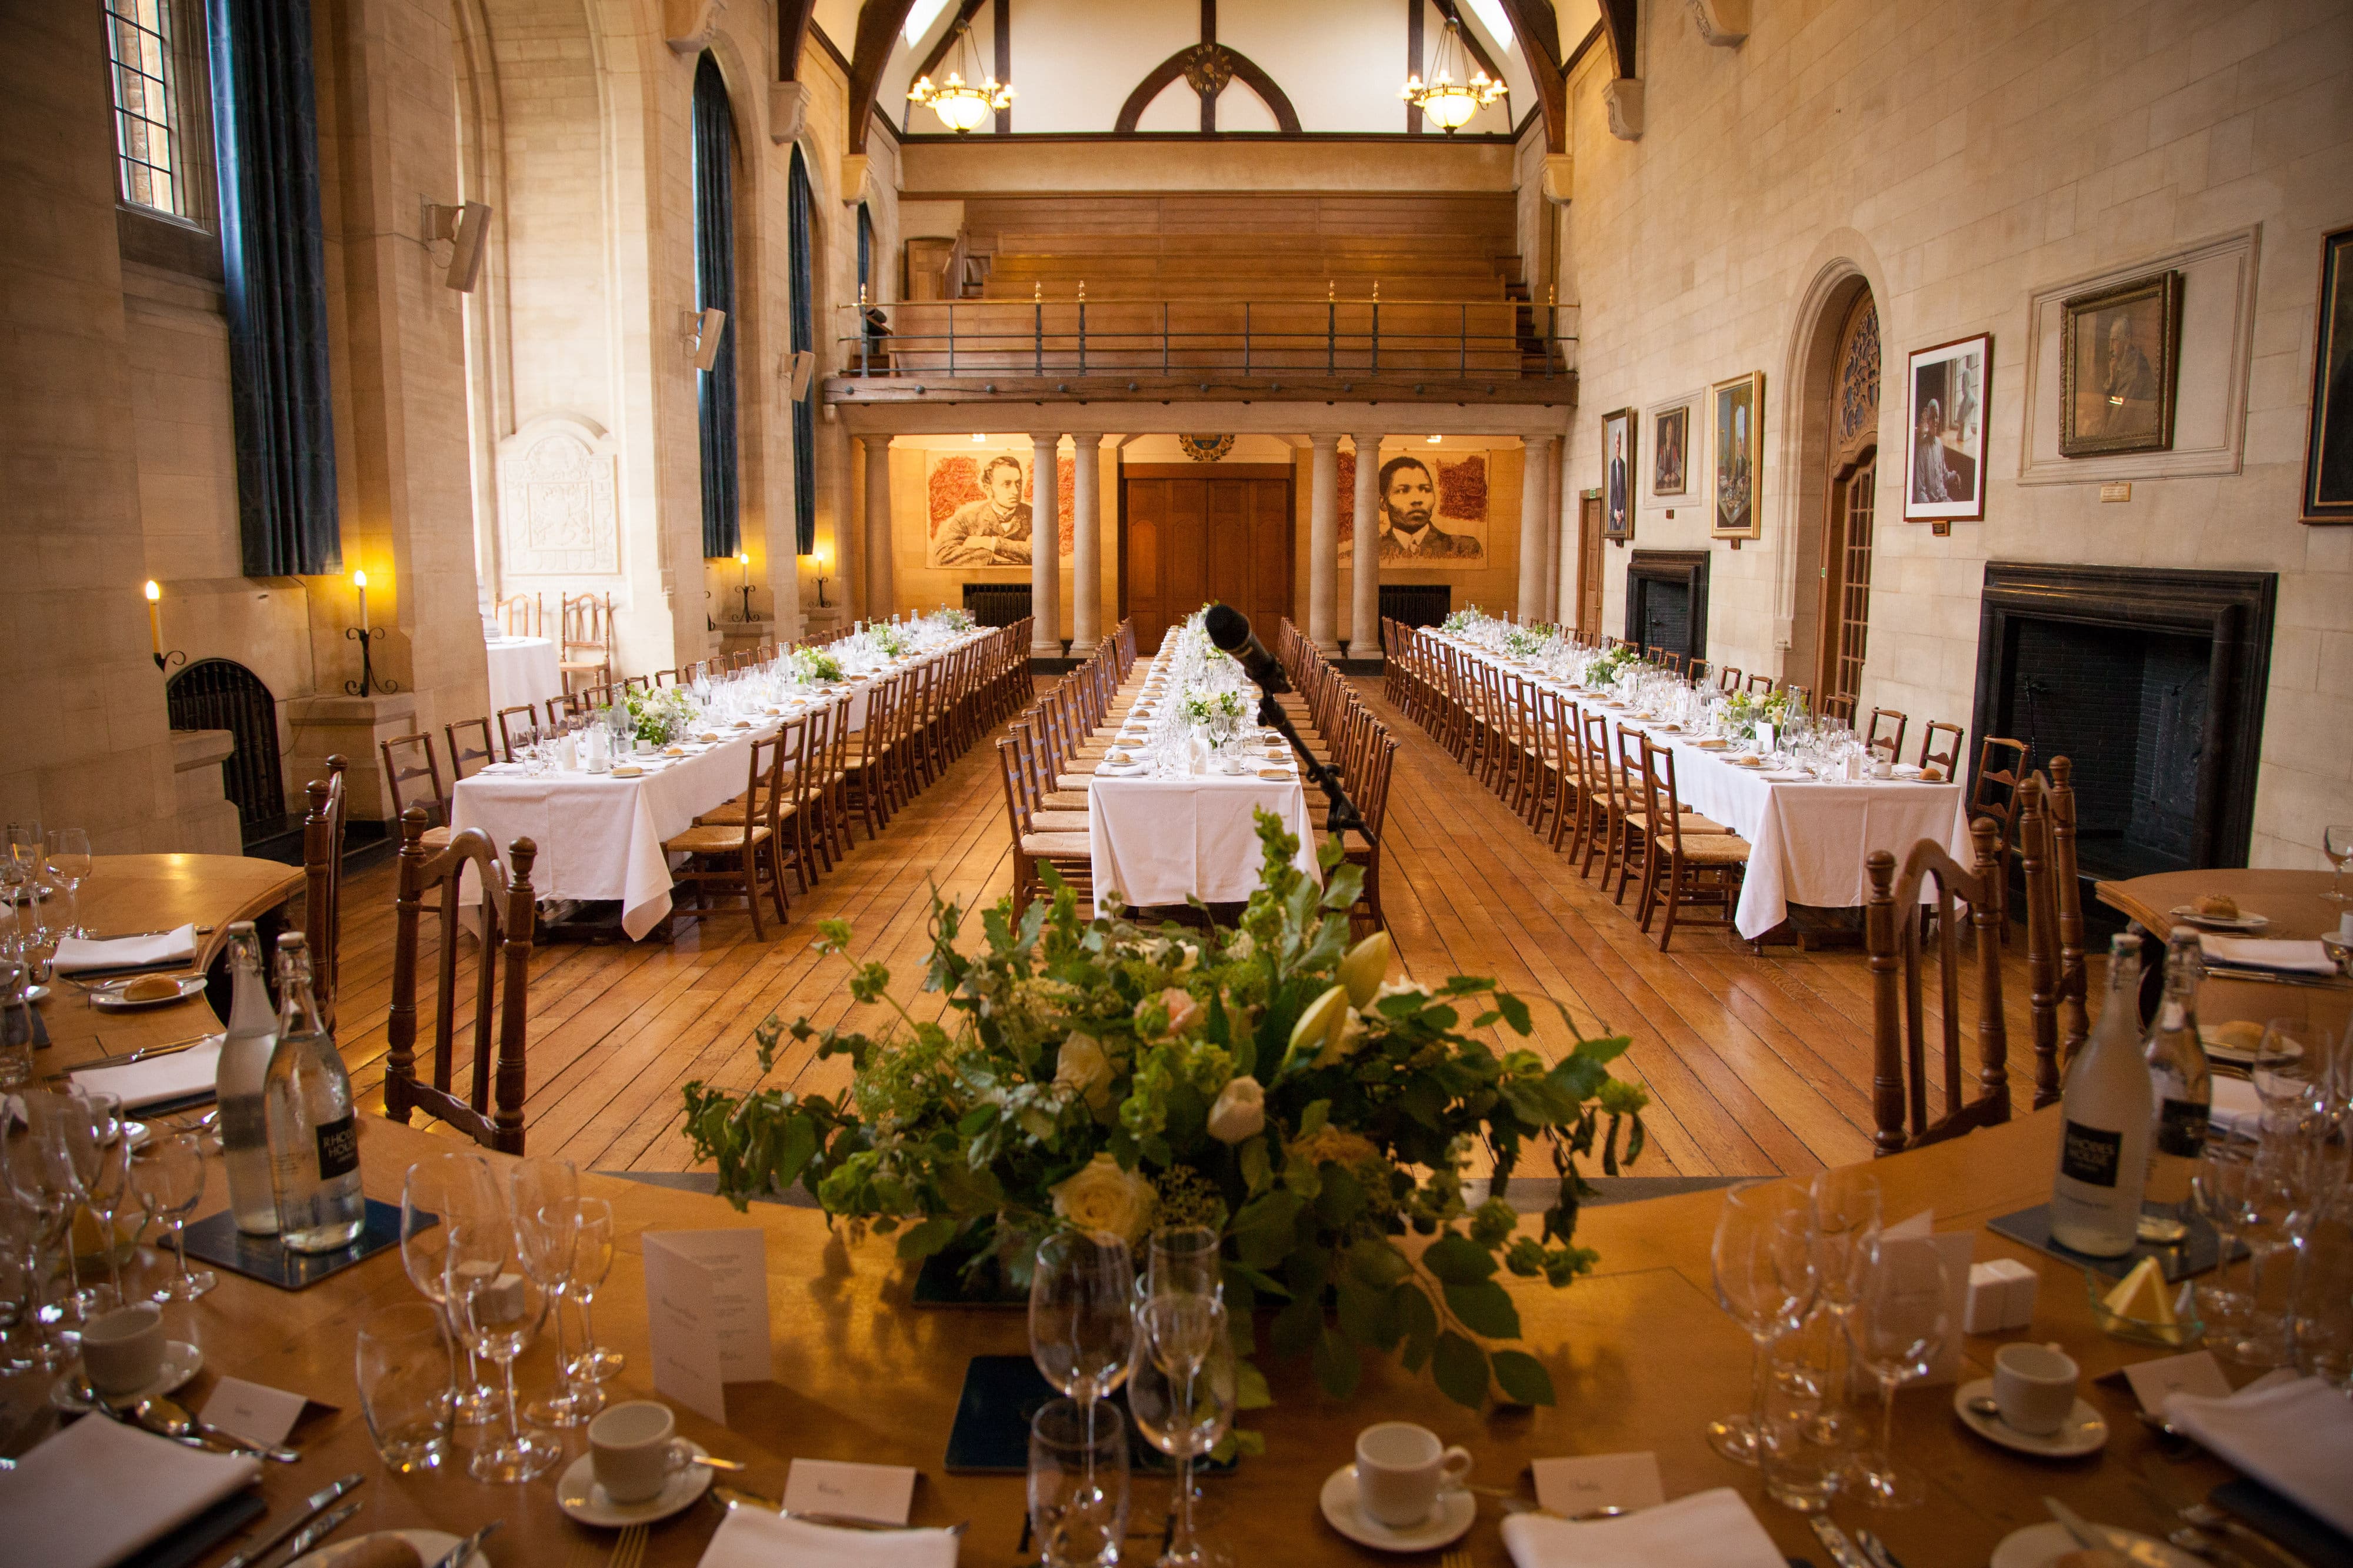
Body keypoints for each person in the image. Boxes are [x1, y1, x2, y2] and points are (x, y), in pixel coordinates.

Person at [1375, 456, 1480, 560]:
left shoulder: (1463, 547)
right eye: (1403, 491)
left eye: (1425, 489)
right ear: (1383, 503)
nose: (1417, 500)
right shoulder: (1373, 550)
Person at [935, 455, 1033, 565]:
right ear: (988, 489)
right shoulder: (967, 520)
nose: (1015, 491)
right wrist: (990, 557)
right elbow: (943, 556)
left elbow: (1040, 554)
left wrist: (991, 543)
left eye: (1018, 483)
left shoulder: (1035, 517)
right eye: (1007, 484)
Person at [2096, 314, 2156, 436]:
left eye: (2115, 340)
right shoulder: (2121, 365)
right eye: (2110, 341)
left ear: (2127, 340)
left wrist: (2103, 438)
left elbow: (2120, 417)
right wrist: (2112, 380)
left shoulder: (2135, 368)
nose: (2110, 348)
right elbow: (2113, 403)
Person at [1912, 396, 1955, 505]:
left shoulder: (1939, 444)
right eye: (1932, 418)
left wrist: (1955, 476)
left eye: (1937, 417)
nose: (1935, 421)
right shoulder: (1922, 449)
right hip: (1931, 503)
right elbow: (1920, 491)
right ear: (1928, 420)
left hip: (1944, 498)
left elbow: (1944, 475)